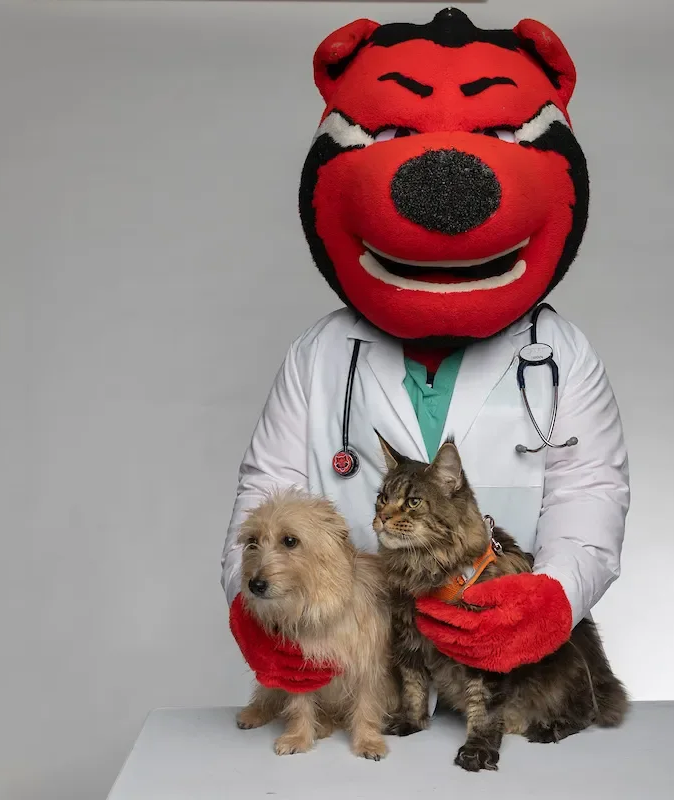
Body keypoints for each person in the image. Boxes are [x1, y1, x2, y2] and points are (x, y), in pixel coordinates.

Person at [221, 7, 630, 698]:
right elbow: (267, 489)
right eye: (392, 134)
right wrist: (249, 598)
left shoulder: (558, 352)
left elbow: (590, 489)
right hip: (365, 667)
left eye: (497, 135)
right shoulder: (322, 352)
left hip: (503, 672)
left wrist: (554, 598)